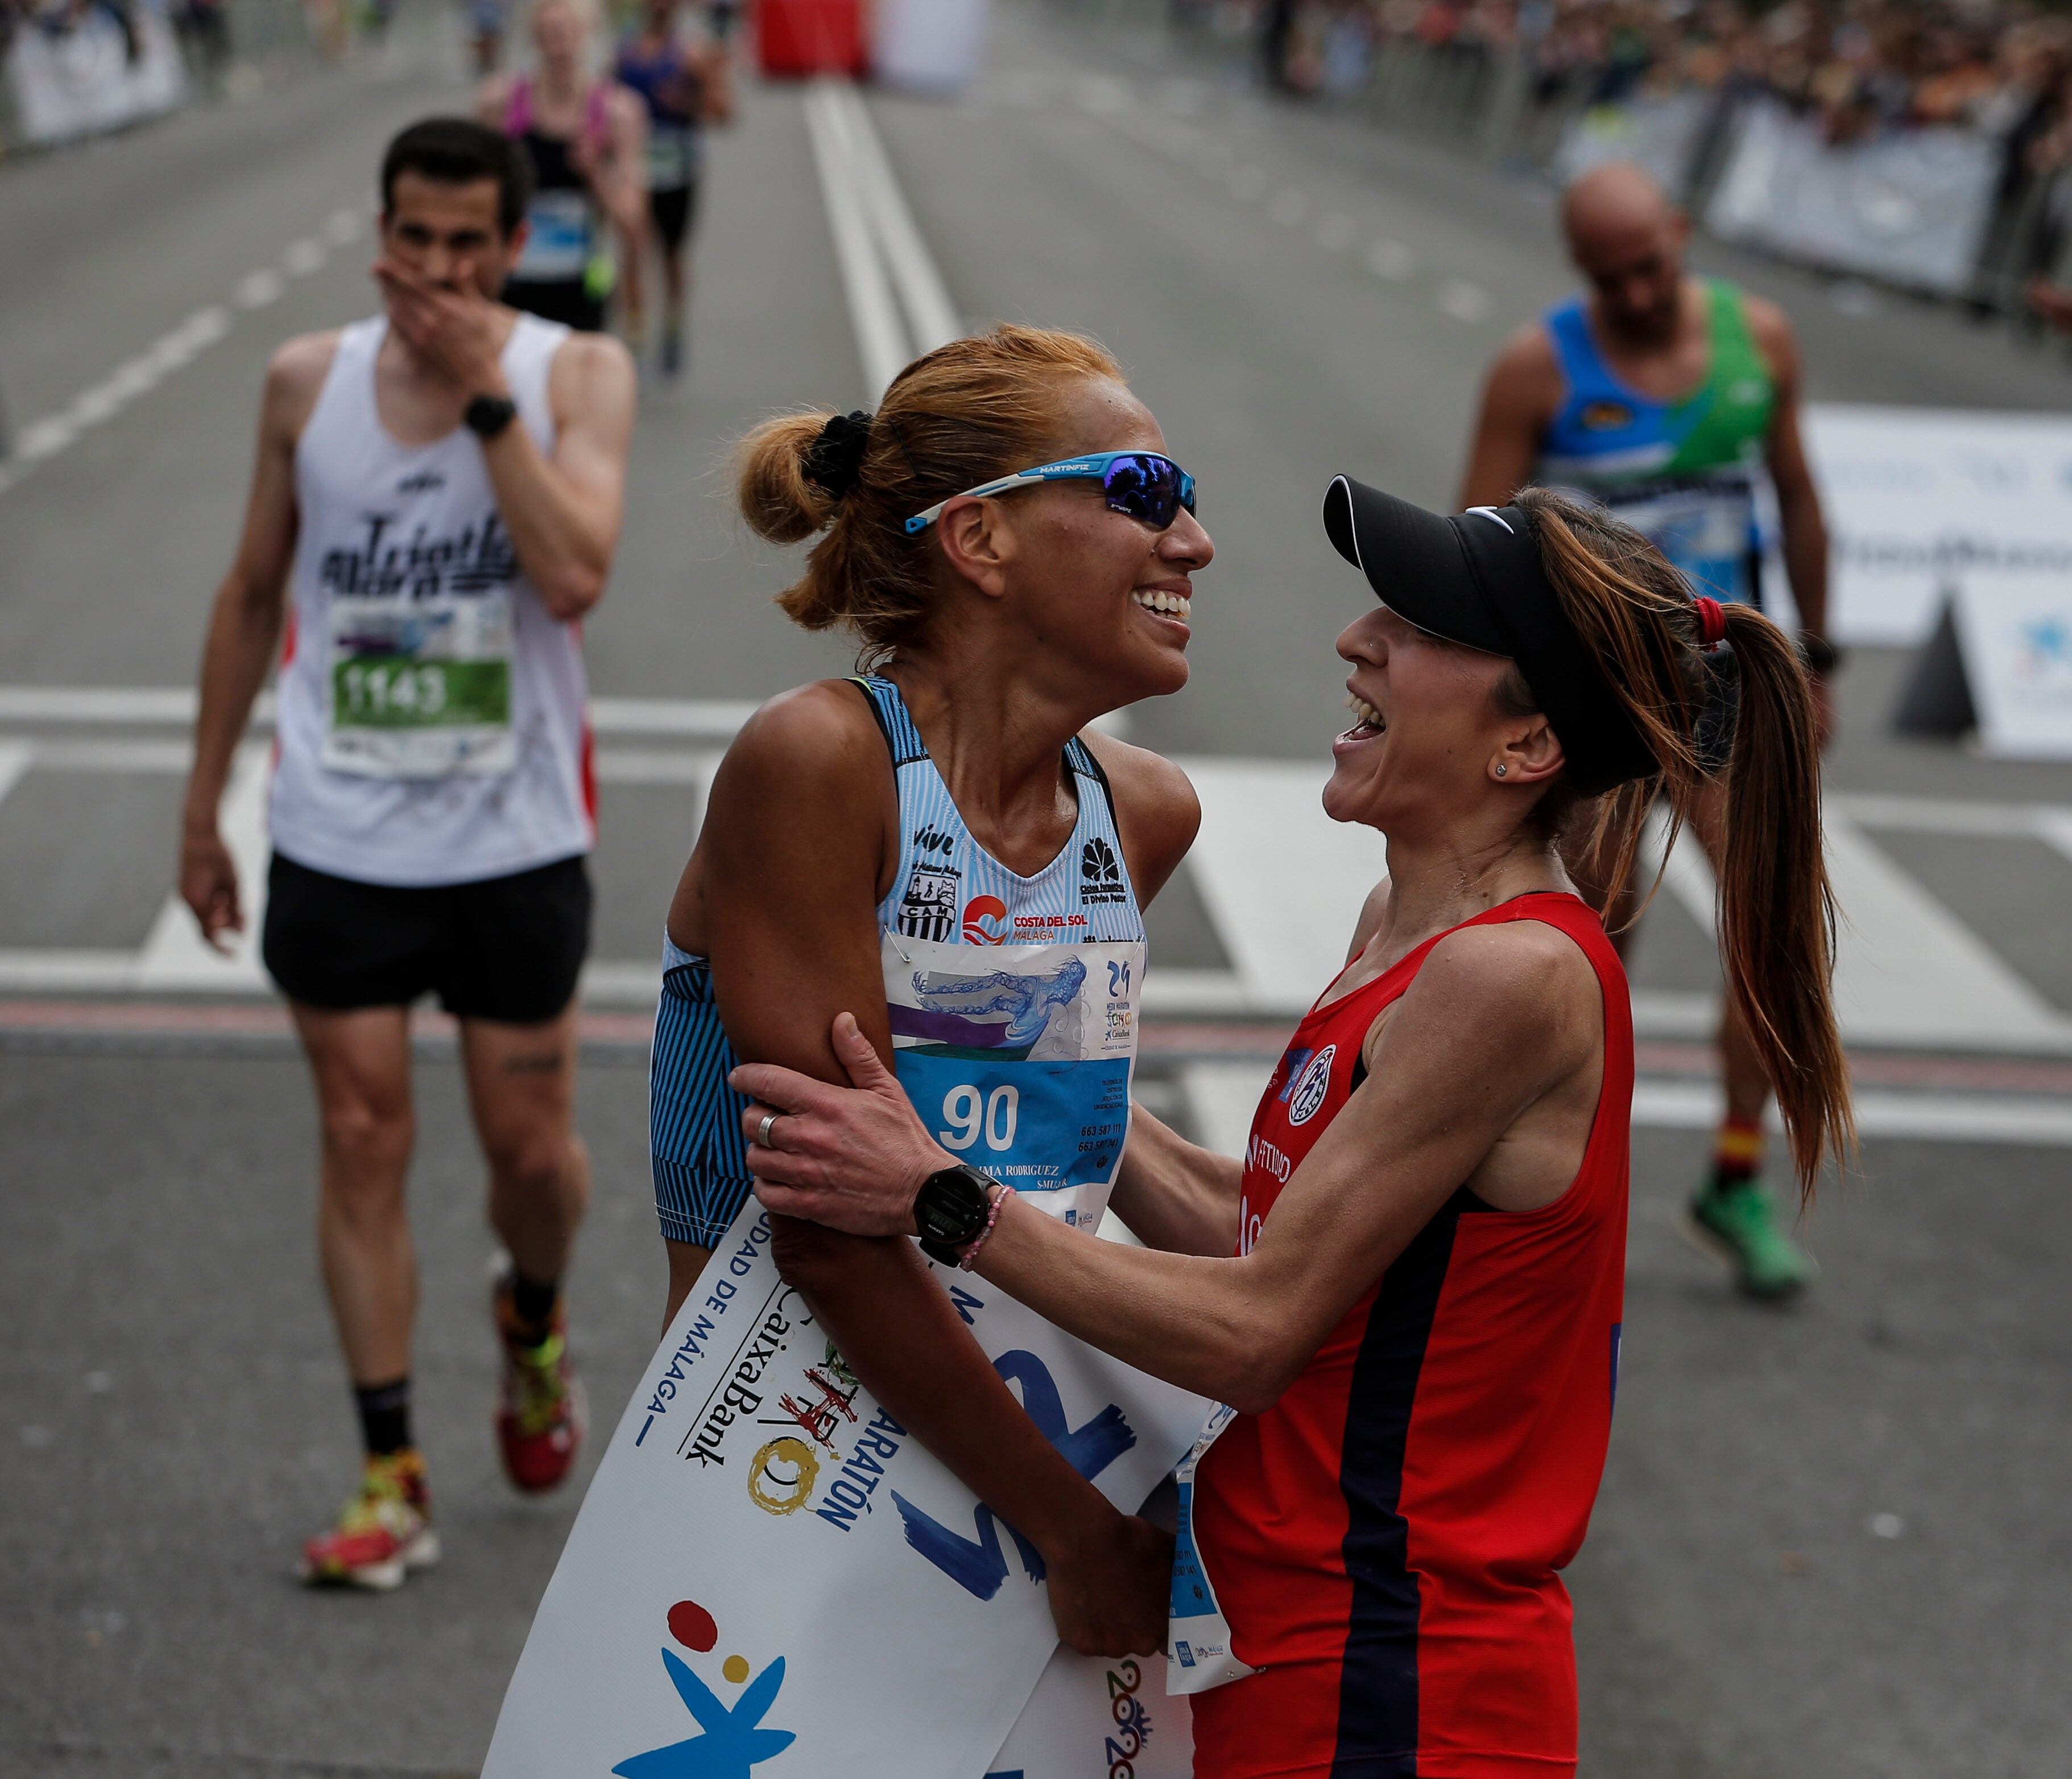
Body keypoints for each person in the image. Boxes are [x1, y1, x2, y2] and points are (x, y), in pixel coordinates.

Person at [734, 480, 1854, 1777]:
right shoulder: (1403, 919)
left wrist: (938, 1196)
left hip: (1395, 1677)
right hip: (1296, 1640)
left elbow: (1259, 1327)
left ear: (1526, 746)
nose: (1356, 638)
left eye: (1423, 625)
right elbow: (1270, 1222)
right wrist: (1010, 1074)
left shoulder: (1510, 976)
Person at [648, 326, 1211, 1654]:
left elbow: (1061, 1124)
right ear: (980, 542)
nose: (1190, 540)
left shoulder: (1145, 810)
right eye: (1141, 493)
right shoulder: (817, 761)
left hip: (1023, 1446)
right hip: (789, 1473)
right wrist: (1079, 1535)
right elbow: (834, 1232)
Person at [177, 118, 637, 1591]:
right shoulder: (305, 383)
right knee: (364, 1133)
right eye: (411, 239)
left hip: (510, 841)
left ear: (509, 247)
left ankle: (535, 1315)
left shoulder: (574, 374)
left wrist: (483, 403)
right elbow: (254, 592)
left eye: (465, 244)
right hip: (340, 829)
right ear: (379, 230)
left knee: (530, 1157)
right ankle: (389, 1473)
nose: (434, 269)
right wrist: (201, 809)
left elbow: (572, 572)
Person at [1459, 159, 1839, 1300]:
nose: (1633, 293)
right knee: (1590, 952)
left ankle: (1733, 1177)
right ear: (1579, 271)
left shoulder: (1759, 338)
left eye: (1651, 266)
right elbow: (1476, 540)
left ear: (1682, 231)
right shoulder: (1536, 369)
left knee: (1772, 937)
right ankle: (1575, 1189)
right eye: (1607, 277)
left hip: (1722, 688)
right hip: (1603, 703)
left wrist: (1818, 661)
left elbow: (1801, 496)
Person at [478, 0, 647, 335]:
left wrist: (595, 173)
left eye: (569, 32)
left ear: (588, 35)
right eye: (549, 34)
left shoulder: (618, 113)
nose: (560, 45)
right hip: (514, 286)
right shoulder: (499, 104)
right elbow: (471, 200)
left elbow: (633, 220)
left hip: (583, 286)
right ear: (534, 40)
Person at [614, 0, 733, 377]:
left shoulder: (693, 53)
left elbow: (724, 111)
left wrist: (688, 103)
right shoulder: (624, 52)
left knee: (671, 256)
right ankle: (635, 341)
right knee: (633, 248)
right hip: (634, 168)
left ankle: (672, 327)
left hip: (678, 169)